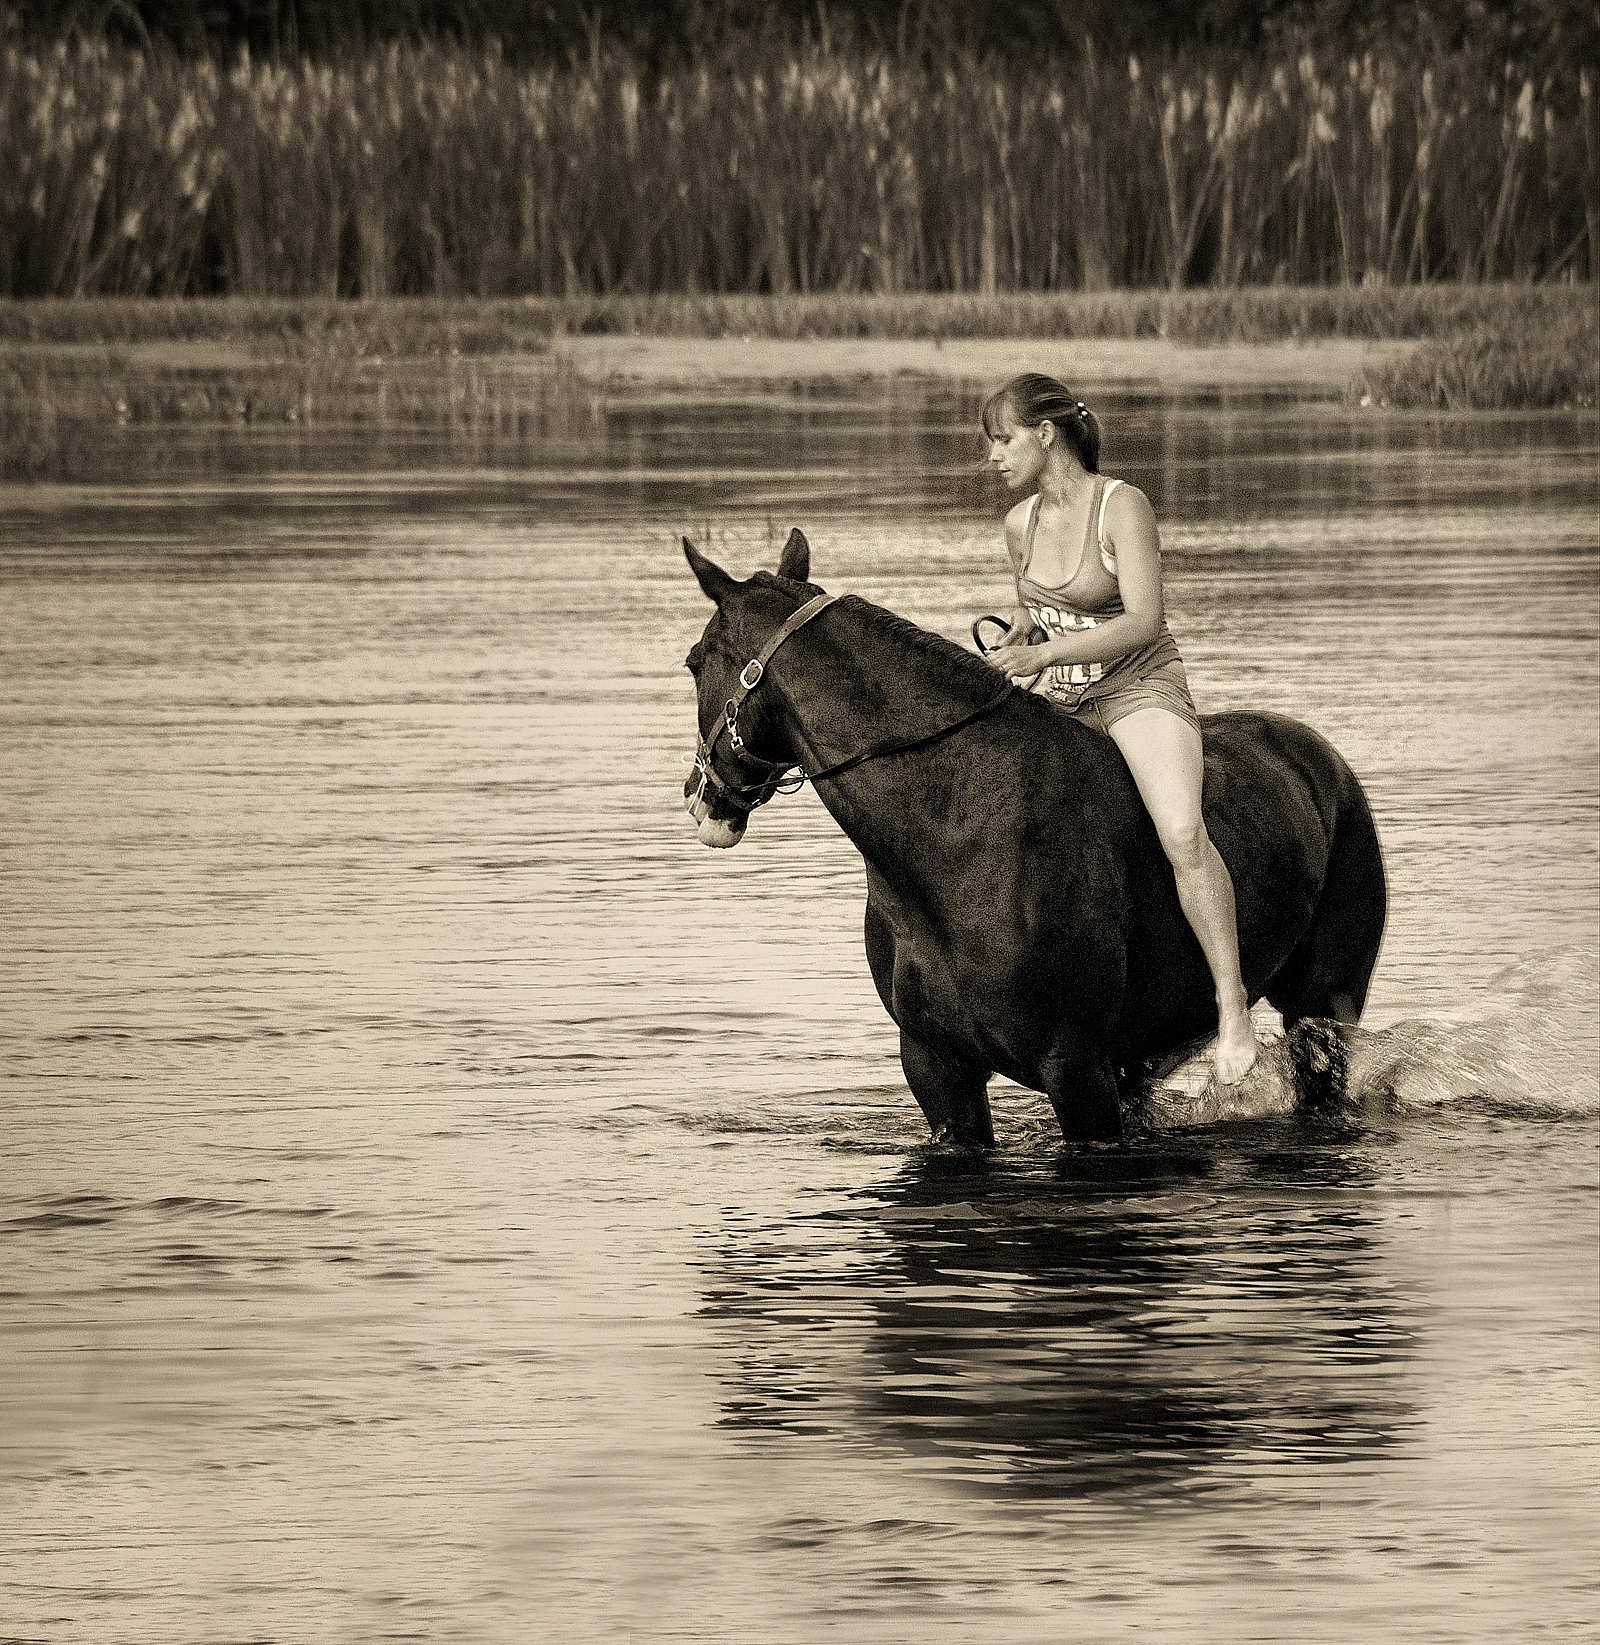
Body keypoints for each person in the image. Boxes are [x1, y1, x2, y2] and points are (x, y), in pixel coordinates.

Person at [979, 372, 1258, 1084]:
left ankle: (1232, 1006)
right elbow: (1038, 609)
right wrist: (1020, 636)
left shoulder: (1122, 505)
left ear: (1046, 434)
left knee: (1182, 833)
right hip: (1066, 702)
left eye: (1003, 439)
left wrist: (1042, 651)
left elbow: (1142, 621)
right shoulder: (1019, 525)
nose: (993, 457)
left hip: (1139, 688)